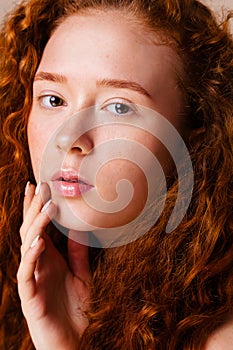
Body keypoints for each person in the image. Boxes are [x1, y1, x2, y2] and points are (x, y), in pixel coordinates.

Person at [0, 0, 232, 349]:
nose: (67, 139)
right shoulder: (24, 285)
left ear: (193, 131)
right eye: (53, 100)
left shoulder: (220, 334)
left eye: (119, 107)